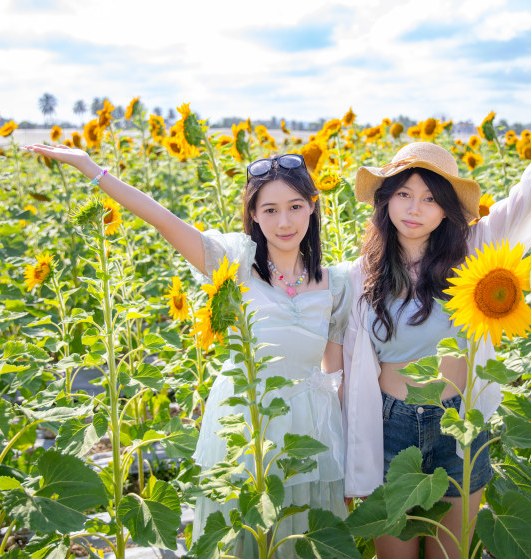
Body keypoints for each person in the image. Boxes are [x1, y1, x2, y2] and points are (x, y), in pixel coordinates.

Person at [341, 77, 531, 559]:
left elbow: (529, 193)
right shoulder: (357, 275)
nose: (415, 209)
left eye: (431, 198)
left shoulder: (472, 250)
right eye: (405, 194)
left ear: (448, 210)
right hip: (390, 426)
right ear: (385, 198)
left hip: (461, 424)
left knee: (453, 553)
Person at [23, 146, 350, 557]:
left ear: (312, 207)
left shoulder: (335, 283)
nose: (283, 221)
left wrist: (347, 454)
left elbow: (333, 376)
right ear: (252, 215)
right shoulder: (235, 261)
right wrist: (91, 168)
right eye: (269, 210)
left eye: (295, 206)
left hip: (310, 428)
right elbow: (161, 218)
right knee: (244, 530)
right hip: (247, 419)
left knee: (302, 534)